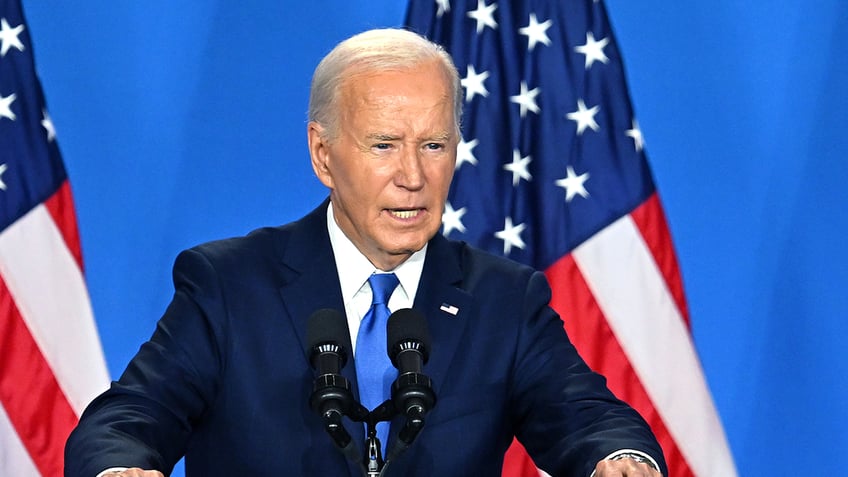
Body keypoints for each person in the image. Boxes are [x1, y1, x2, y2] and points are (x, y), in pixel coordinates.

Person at [65, 28, 666, 477]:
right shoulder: (228, 285)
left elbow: (587, 415)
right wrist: (119, 468)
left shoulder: (504, 301)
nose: (413, 176)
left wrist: (619, 458)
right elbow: (129, 416)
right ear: (323, 156)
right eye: (384, 145)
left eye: (434, 144)